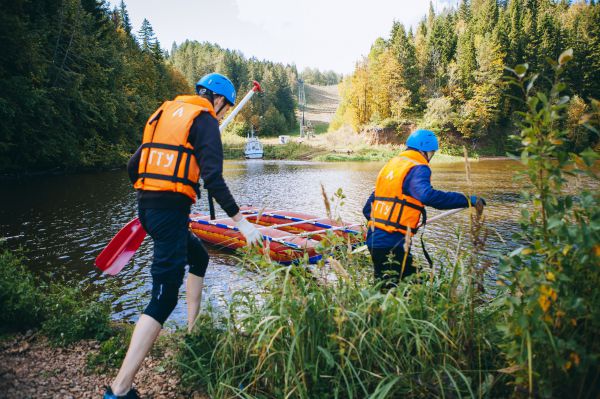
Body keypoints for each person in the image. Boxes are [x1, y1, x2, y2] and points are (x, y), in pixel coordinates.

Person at [104, 73, 262, 399]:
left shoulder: (166, 114)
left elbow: (135, 167)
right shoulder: (203, 121)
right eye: (224, 108)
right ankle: (119, 390)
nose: (220, 114)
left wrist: (159, 190)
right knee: (163, 299)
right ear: (217, 100)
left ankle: (192, 332)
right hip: (168, 215)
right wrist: (242, 223)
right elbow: (214, 180)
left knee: (199, 257)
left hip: (149, 210)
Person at [362, 129, 486, 289]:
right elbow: (427, 196)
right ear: (424, 151)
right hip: (391, 244)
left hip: (374, 241)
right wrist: (467, 200)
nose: (431, 157)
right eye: (432, 153)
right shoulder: (418, 167)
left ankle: (376, 312)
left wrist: (389, 223)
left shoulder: (391, 167)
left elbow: (367, 209)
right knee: (416, 286)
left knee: (386, 290)